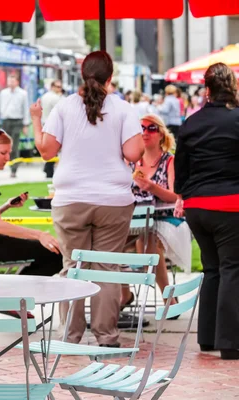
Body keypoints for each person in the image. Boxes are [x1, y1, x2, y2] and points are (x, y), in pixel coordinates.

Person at [33, 51, 144, 347]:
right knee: (106, 268)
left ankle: (70, 335)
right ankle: (107, 336)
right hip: (114, 200)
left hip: (70, 199)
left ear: (82, 74)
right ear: (110, 78)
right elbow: (134, 153)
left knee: (73, 266)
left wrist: (36, 121)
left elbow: (46, 150)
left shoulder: (64, 107)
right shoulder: (123, 108)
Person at [174, 63, 239, 360]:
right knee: (232, 270)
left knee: (212, 269)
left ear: (207, 89)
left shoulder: (191, 122)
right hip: (229, 204)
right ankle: (230, 343)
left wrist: (184, 195)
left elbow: (181, 168)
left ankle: (207, 338)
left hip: (196, 207)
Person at [0, 128, 63, 278]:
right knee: (55, 253)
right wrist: (40, 235)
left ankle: (19, 288)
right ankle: (19, 290)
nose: (8, 157)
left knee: (50, 252)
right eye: (3, 153)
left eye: (9, 152)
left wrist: (6, 206)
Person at [122, 114, 192, 311]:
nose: (145, 132)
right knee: (107, 239)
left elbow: (176, 196)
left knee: (146, 241)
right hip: (135, 219)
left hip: (167, 218)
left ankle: (168, 298)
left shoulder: (170, 161)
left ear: (161, 134)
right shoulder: (130, 162)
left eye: (151, 128)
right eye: (141, 128)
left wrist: (152, 187)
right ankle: (124, 294)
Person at [0, 74, 30, 178]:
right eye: (9, 81)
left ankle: (14, 169)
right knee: (3, 145)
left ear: (17, 82)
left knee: (14, 146)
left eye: (12, 81)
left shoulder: (23, 94)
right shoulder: (3, 93)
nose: (10, 83)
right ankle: (2, 164)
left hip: (17, 121)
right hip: (5, 121)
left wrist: (25, 124)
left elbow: (25, 108)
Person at [40, 80, 64, 178]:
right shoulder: (56, 98)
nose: (60, 89)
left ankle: (48, 168)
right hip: (54, 125)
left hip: (45, 123)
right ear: (53, 86)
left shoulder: (44, 96)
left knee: (49, 147)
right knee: (55, 148)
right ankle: (48, 168)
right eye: (58, 87)